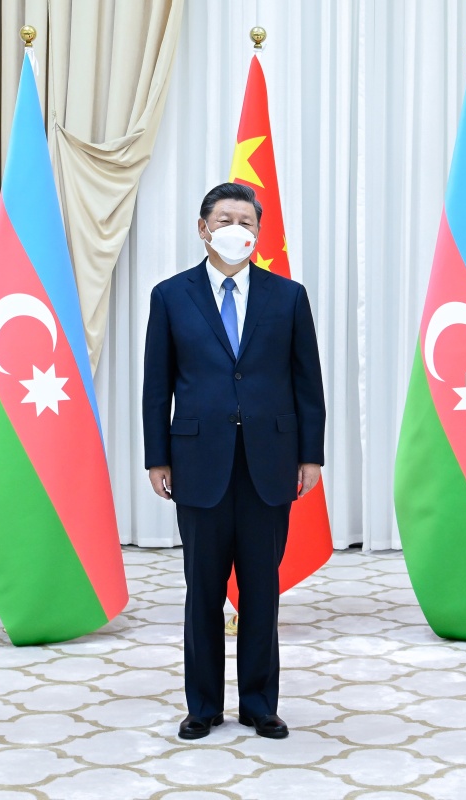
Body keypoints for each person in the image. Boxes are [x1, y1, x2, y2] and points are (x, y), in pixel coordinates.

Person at [142, 182, 326, 741]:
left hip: (270, 463)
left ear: (258, 233)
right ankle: (202, 706)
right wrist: (157, 456)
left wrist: (310, 455)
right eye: (225, 220)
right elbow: (157, 386)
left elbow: (307, 383)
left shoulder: (287, 296)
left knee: (261, 590)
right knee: (202, 589)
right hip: (197, 463)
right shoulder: (170, 296)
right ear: (203, 228)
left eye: (246, 222)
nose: (236, 230)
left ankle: (259, 704)